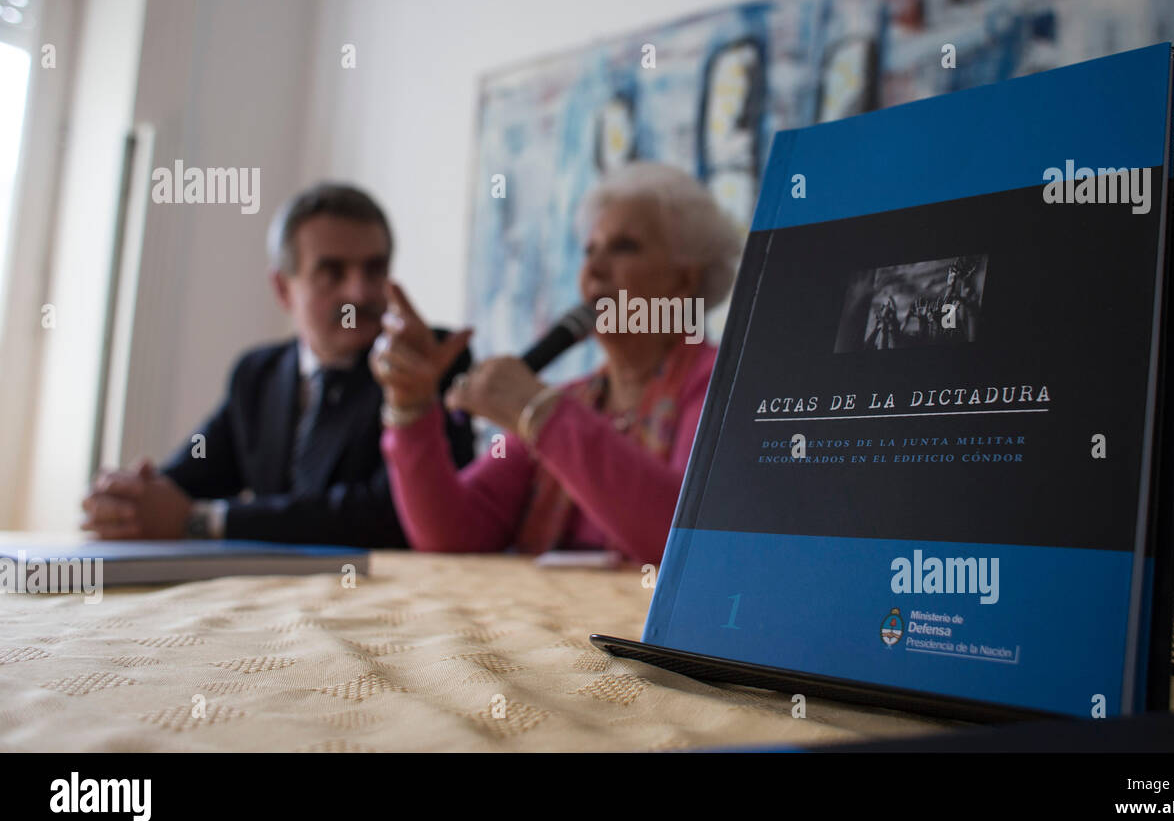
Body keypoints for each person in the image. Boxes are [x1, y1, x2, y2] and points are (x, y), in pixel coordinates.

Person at [370, 162, 741, 562]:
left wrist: (542, 414)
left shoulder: (727, 383)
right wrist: (410, 408)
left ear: (684, 281)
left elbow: (690, 541)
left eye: (624, 247)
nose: (592, 271)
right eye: (589, 251)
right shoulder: (572, 401)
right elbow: (453, 536)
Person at [79, 182, 475, 547]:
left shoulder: (428, 361)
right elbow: (193, 477)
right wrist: (131, 499)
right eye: (332, 273)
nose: (359, 292)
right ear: (283, 288)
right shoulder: (257, 375)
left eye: (374, 269)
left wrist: (203, 521)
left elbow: (388, 516)